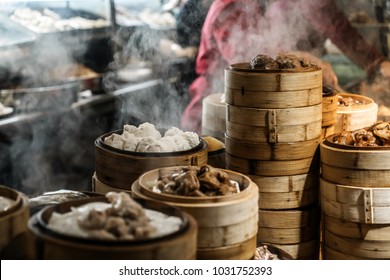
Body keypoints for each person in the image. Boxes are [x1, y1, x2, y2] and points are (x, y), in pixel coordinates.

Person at [180, 0, 390, 132]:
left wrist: (376, 62)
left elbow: (337, 26)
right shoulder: (229, 6)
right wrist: (302, 61)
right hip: (221, 109)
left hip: (271, 109)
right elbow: (247, 58)